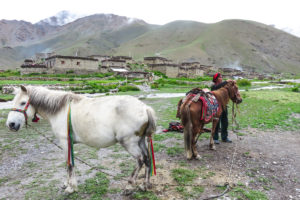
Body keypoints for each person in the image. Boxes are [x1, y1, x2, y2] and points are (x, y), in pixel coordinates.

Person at [211, 72, 232, 144]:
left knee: (225, 122)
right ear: (216, 79)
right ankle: (215, 138)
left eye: (222, 77)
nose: (221, 78)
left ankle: (224, 137)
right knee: (217, 122)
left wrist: (232, 82)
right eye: (220, 77)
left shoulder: (223, 86)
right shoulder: (214, 86)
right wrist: (226, 81)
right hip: (216, 106)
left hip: (223, 106)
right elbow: (216, 87)